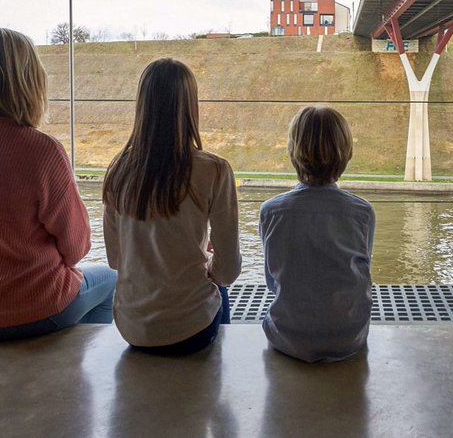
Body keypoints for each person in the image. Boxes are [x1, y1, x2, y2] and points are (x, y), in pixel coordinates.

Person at [0, 27, 115, 340]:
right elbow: (76, 247)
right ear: (31, 79)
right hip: (28, 310)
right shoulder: (41, 150)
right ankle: (72, 363)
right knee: (111, 279)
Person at [103, 58, 241, 355]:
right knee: (221, 291)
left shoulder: (118, 171)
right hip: (191, 330)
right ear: (190, 106)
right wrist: (203, 260)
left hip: (132, 329)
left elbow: (116, 260)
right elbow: (228, 271)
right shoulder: (214, 170)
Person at [260, 106, 375, 363]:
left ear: (293, 151)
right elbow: (363, 271)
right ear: (346, 153)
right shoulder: (362, 213)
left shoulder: (271, 212)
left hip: (287, 336)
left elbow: (272, 280)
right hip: (349, 336)